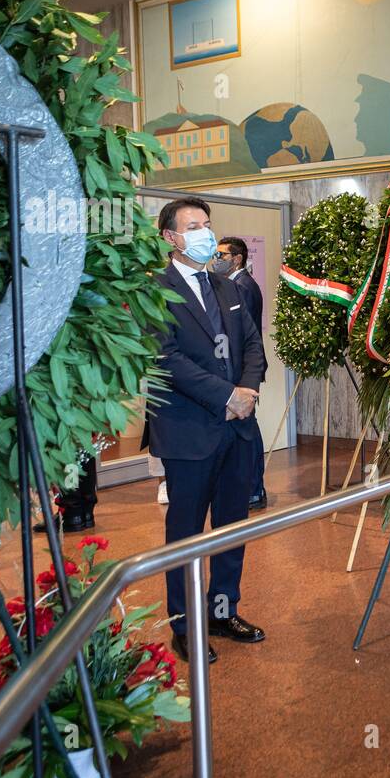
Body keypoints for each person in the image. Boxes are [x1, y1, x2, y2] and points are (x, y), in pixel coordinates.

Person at [149, 197, 267, 665]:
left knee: (230, 526)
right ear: (170, 238)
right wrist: (225, 395)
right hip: (189, 432)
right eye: (193, 225)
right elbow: (167, 359)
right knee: (185, 532)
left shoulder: (226, 286)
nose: (204, 232)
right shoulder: (155, 292)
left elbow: (253, 344)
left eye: (207, 224)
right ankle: (186, 625)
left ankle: (222, 611)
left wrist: (247, 390)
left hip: (238, 429)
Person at [211, 236, 267, 509]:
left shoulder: (241, 286)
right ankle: (251, 489)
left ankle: (254, 489)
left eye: (222, 255)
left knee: (247, 431)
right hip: (240, 371)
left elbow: (241, 335)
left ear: (237, 258)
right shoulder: (236, 283)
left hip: (243, 372)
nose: (216, 259)